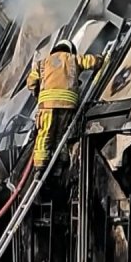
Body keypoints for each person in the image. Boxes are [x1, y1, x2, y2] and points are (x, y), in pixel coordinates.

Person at [25, 38, 102, 170]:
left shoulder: (42, 63)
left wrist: (39, 94)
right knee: (61, 135)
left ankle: (40, 168)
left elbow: (31, 82)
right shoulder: (73, 58)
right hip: (67, 104)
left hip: (47, 106)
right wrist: (101, 58)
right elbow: (91, 61)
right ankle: (60, 164)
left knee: (45, 134)